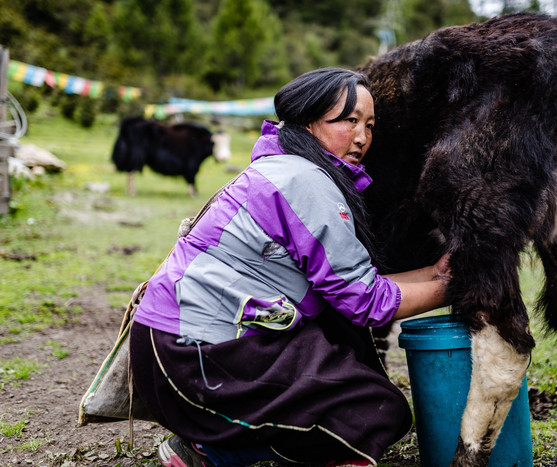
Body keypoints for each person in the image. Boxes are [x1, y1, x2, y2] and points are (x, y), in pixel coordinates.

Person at [130, 67, 451, 467]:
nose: (362, 137)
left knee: (360, 382)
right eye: (348, 120)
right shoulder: (306, 181)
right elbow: (366, 302)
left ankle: (210, 443)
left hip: (169, 348)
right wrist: (456, 286)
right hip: (194, 357)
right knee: (377, 414)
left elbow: (354, 283)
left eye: (369, 124)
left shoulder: (283, 168)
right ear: (307, 122)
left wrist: (438, 273)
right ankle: (214, 452)